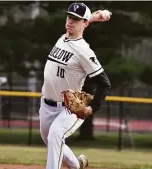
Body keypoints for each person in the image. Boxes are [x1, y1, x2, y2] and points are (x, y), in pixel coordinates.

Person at [39, 2, 111, 169]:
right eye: (69, 17)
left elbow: (104, 84)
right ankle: (77, 164)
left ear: (83, 23)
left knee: (56, 134)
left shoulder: (84, 52)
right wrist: (92, 18)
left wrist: (92, 108)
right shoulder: (63, 37)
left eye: (76, 19)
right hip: (46, 104)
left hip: (69, 107)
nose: (70, 21)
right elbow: (79, 24)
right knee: (49, 139)